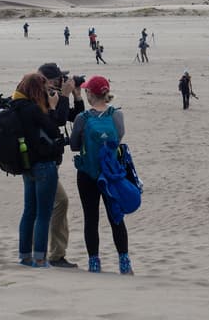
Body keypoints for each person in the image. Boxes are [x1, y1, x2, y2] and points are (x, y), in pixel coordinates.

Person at [70, 76, 133, 275]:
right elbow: (119, 137)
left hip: (88, 174)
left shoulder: (83, 118)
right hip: (111, 173)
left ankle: (94, 263)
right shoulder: (117, 115)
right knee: (116, 217)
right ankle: (124, 263)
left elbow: (74, 145)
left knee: (91, 218)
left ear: (90, 94)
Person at [12, 72, 66, 268]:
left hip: (27, 166)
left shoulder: (15, 106)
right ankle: (40, 258)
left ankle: (25, 256)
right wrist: (52, 107)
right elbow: (53, 129)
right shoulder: (33, 110)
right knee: (44, 214)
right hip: (44, 164)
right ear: (36, 90)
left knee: (29, 211)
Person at [38, 63, 85, 268]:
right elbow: (56, 121)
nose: (62, 82)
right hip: (42, 163)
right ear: (48, 80)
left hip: (46, 161)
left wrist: (76, 95)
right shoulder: (41, 97)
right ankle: (56, 255)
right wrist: (64, 96)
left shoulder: (51, 96)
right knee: (60, 202)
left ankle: (35, 253)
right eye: (59, 79)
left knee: (40, 208)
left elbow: (75, 117)